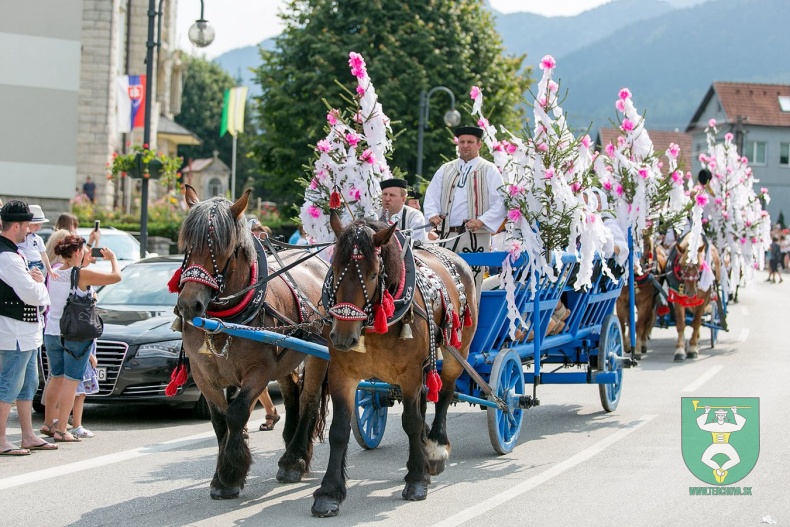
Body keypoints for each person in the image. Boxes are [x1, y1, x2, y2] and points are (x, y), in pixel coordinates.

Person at [39, 235, 120, 442]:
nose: (85, 252)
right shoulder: (82, 275)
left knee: (55, 378)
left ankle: (49, 423)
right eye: (83, 249)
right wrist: (112, 259)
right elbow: (115, 277)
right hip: (73, 334)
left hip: (51, 332)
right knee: (71, 382)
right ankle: (62, 430)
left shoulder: (54, 272)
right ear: (76, 252)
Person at [0, 200, 56, 455]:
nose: (29, 231)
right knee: (9, 385)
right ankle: (1, 439)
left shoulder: (13, 252)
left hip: (26, 332)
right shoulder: (8, 257)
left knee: (28, 384)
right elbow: (32, 295)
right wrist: (41, 287)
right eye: (26, 226)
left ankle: (28, 435)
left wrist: (36, 285)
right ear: (14, 226)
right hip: (15, 332)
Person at [423, 125, 506, 292]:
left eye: (470, 142)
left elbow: (501, 201)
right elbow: (431, 195)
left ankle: (472, 318)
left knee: (472, 283)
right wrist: (432, 215)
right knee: (445, 282)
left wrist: (481, 221)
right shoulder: (446, 169)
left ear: (479, 145)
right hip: (446, 235)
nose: (465, 145)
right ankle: (449, 318)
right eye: (462, 142)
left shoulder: (489, 169)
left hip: (475, 235)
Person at [17, 205, 57, 279]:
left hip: (38, 264)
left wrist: (49, 269)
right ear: (27, 223)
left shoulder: (38, 238)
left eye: (40, 225)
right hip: (25, 264)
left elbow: (44, 254)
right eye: (36, 224)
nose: (39, 227)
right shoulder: (18, 238)